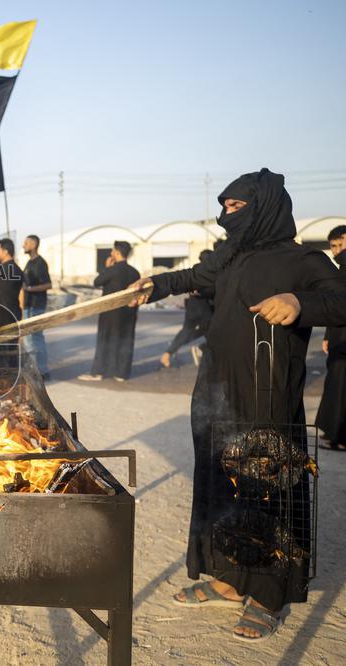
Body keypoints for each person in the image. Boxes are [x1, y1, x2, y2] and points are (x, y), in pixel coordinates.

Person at [130, 169, 346, 641]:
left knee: (267, 488)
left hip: (266, 392)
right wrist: (155, 285)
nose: (228, 215)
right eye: (225, 206)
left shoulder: (303, 259)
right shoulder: (231, 257)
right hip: (217, 390)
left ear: (264, 205)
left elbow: (342, 300)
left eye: (237, 206)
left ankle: (268, 595)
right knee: (221, 485)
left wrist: (299, 302)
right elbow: (192, 276)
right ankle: (228, 578)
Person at [78, 241, 141, 382]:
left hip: (110, 313)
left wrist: (106, 268)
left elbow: (97, 281)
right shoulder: (135, 272)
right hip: (129, 313)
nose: (111, 253)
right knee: (126, 341)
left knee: (105, 340)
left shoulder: (113, 270)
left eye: (112, 251)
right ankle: (121, 374)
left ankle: (99, 372)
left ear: (117, 253)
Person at [316, 224, 346, 450]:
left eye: (340, 245)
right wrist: (328, 334)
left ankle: (337, 436)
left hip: (343, 341)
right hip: (338, 336)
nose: (336, 251)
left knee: (339, 387)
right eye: (333, 247)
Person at [160, 249, 216, 369]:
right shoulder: (210, 272)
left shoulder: (196, 271)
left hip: (192, 306)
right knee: (211, 332)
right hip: (204, 307)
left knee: (187, 330)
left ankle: (169, 352)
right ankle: (201, 349)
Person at [21, 234, 52, 379]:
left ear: (34, 245)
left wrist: (30, 289)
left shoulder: (40, 263)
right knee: (28, 340)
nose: (23, 245)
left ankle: (43, 371)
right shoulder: (29, 263)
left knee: (36, 339)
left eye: (26, 243)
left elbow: (48, 284)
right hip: (27, 306)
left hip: (36, 306)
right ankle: (35, 370)